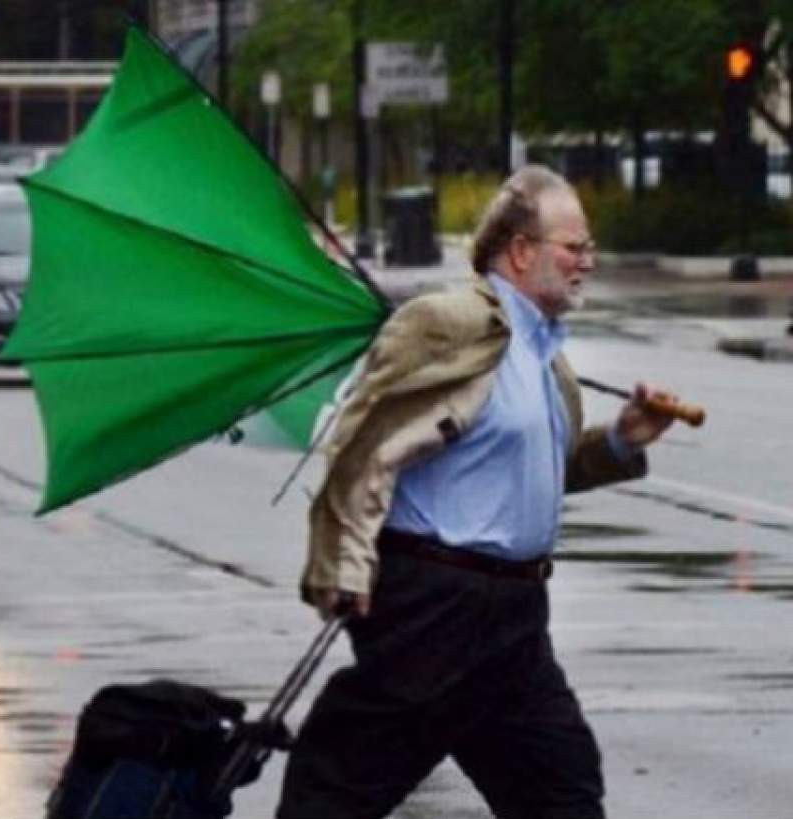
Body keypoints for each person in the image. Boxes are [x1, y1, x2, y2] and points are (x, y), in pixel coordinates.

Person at [276, 165, 675, 819]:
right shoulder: (449, 322)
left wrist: (625, 439)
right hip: (435, 608)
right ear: (521, 250)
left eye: (590, 248)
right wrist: (342, 565)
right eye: (574, 247)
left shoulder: (544, 353)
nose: (588, 262)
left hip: (516, 616)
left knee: (563, 794)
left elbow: (529, 473)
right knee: (335, 793)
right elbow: (362, 444)